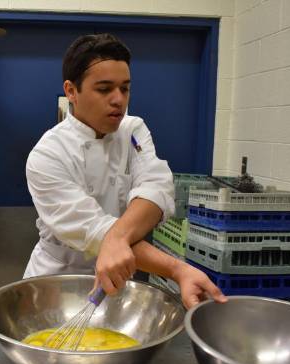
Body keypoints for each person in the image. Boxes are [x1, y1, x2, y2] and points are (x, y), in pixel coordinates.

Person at [24, 33, 226, 308]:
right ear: (71, 91)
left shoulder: (132, 130)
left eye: (125, 88)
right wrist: (177, 269)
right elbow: (95, 231)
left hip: (118, 278)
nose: (119, 99)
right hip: (55, 282)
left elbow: (156, 189)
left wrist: (116, 239)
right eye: (105, 89)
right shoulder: (47, 155)